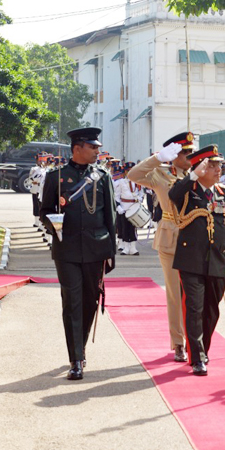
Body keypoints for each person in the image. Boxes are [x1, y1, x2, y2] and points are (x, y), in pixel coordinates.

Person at [40, 127, 116, 380]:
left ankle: (79, 345)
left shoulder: (102, 176)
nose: (97, 151)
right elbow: (45, 211)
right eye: (93, 147)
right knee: (72, 303)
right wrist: (56, 226)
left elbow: (110, 217)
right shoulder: (56, 176)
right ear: (77, 148)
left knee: (90, 301)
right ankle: (76, 358)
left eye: (97, 147)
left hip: (96, 249)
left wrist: (110, 251)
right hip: (68, 249)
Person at [168, 146, 225, 376]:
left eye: (219, 164)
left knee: (211, 310)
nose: (219, 169)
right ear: (200, 168)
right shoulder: (188, 191)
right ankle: (197, 356)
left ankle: (204, 349)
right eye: (212, 165)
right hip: (191, 260)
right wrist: (192, 175)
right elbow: (172, 196)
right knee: (195, 308)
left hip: (217, 259)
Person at [128, 131, 194, 362]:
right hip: (170, 237)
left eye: (190, 152)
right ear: (173, 154)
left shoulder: (195, 174)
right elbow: (133, 174)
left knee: (195, 292)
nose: (189, 157)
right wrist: (158, 158)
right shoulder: (159, 174)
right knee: (175, 292)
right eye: (184, 153)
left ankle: (195, 338)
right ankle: (178, 342)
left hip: (195, 237)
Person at [114, 162, 144, 256]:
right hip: (124, 207)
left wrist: (139, 199)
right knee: (124, 227)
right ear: (125, 172)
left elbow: (141, 194)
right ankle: (126, 247)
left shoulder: (138, 182)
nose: (129, 172)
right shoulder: (120, 182)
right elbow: (116, 196)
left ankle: (133, 247)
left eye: (132, 170)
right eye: (128, 170)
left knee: (133, 227)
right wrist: (118, 207)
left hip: (134, 207)